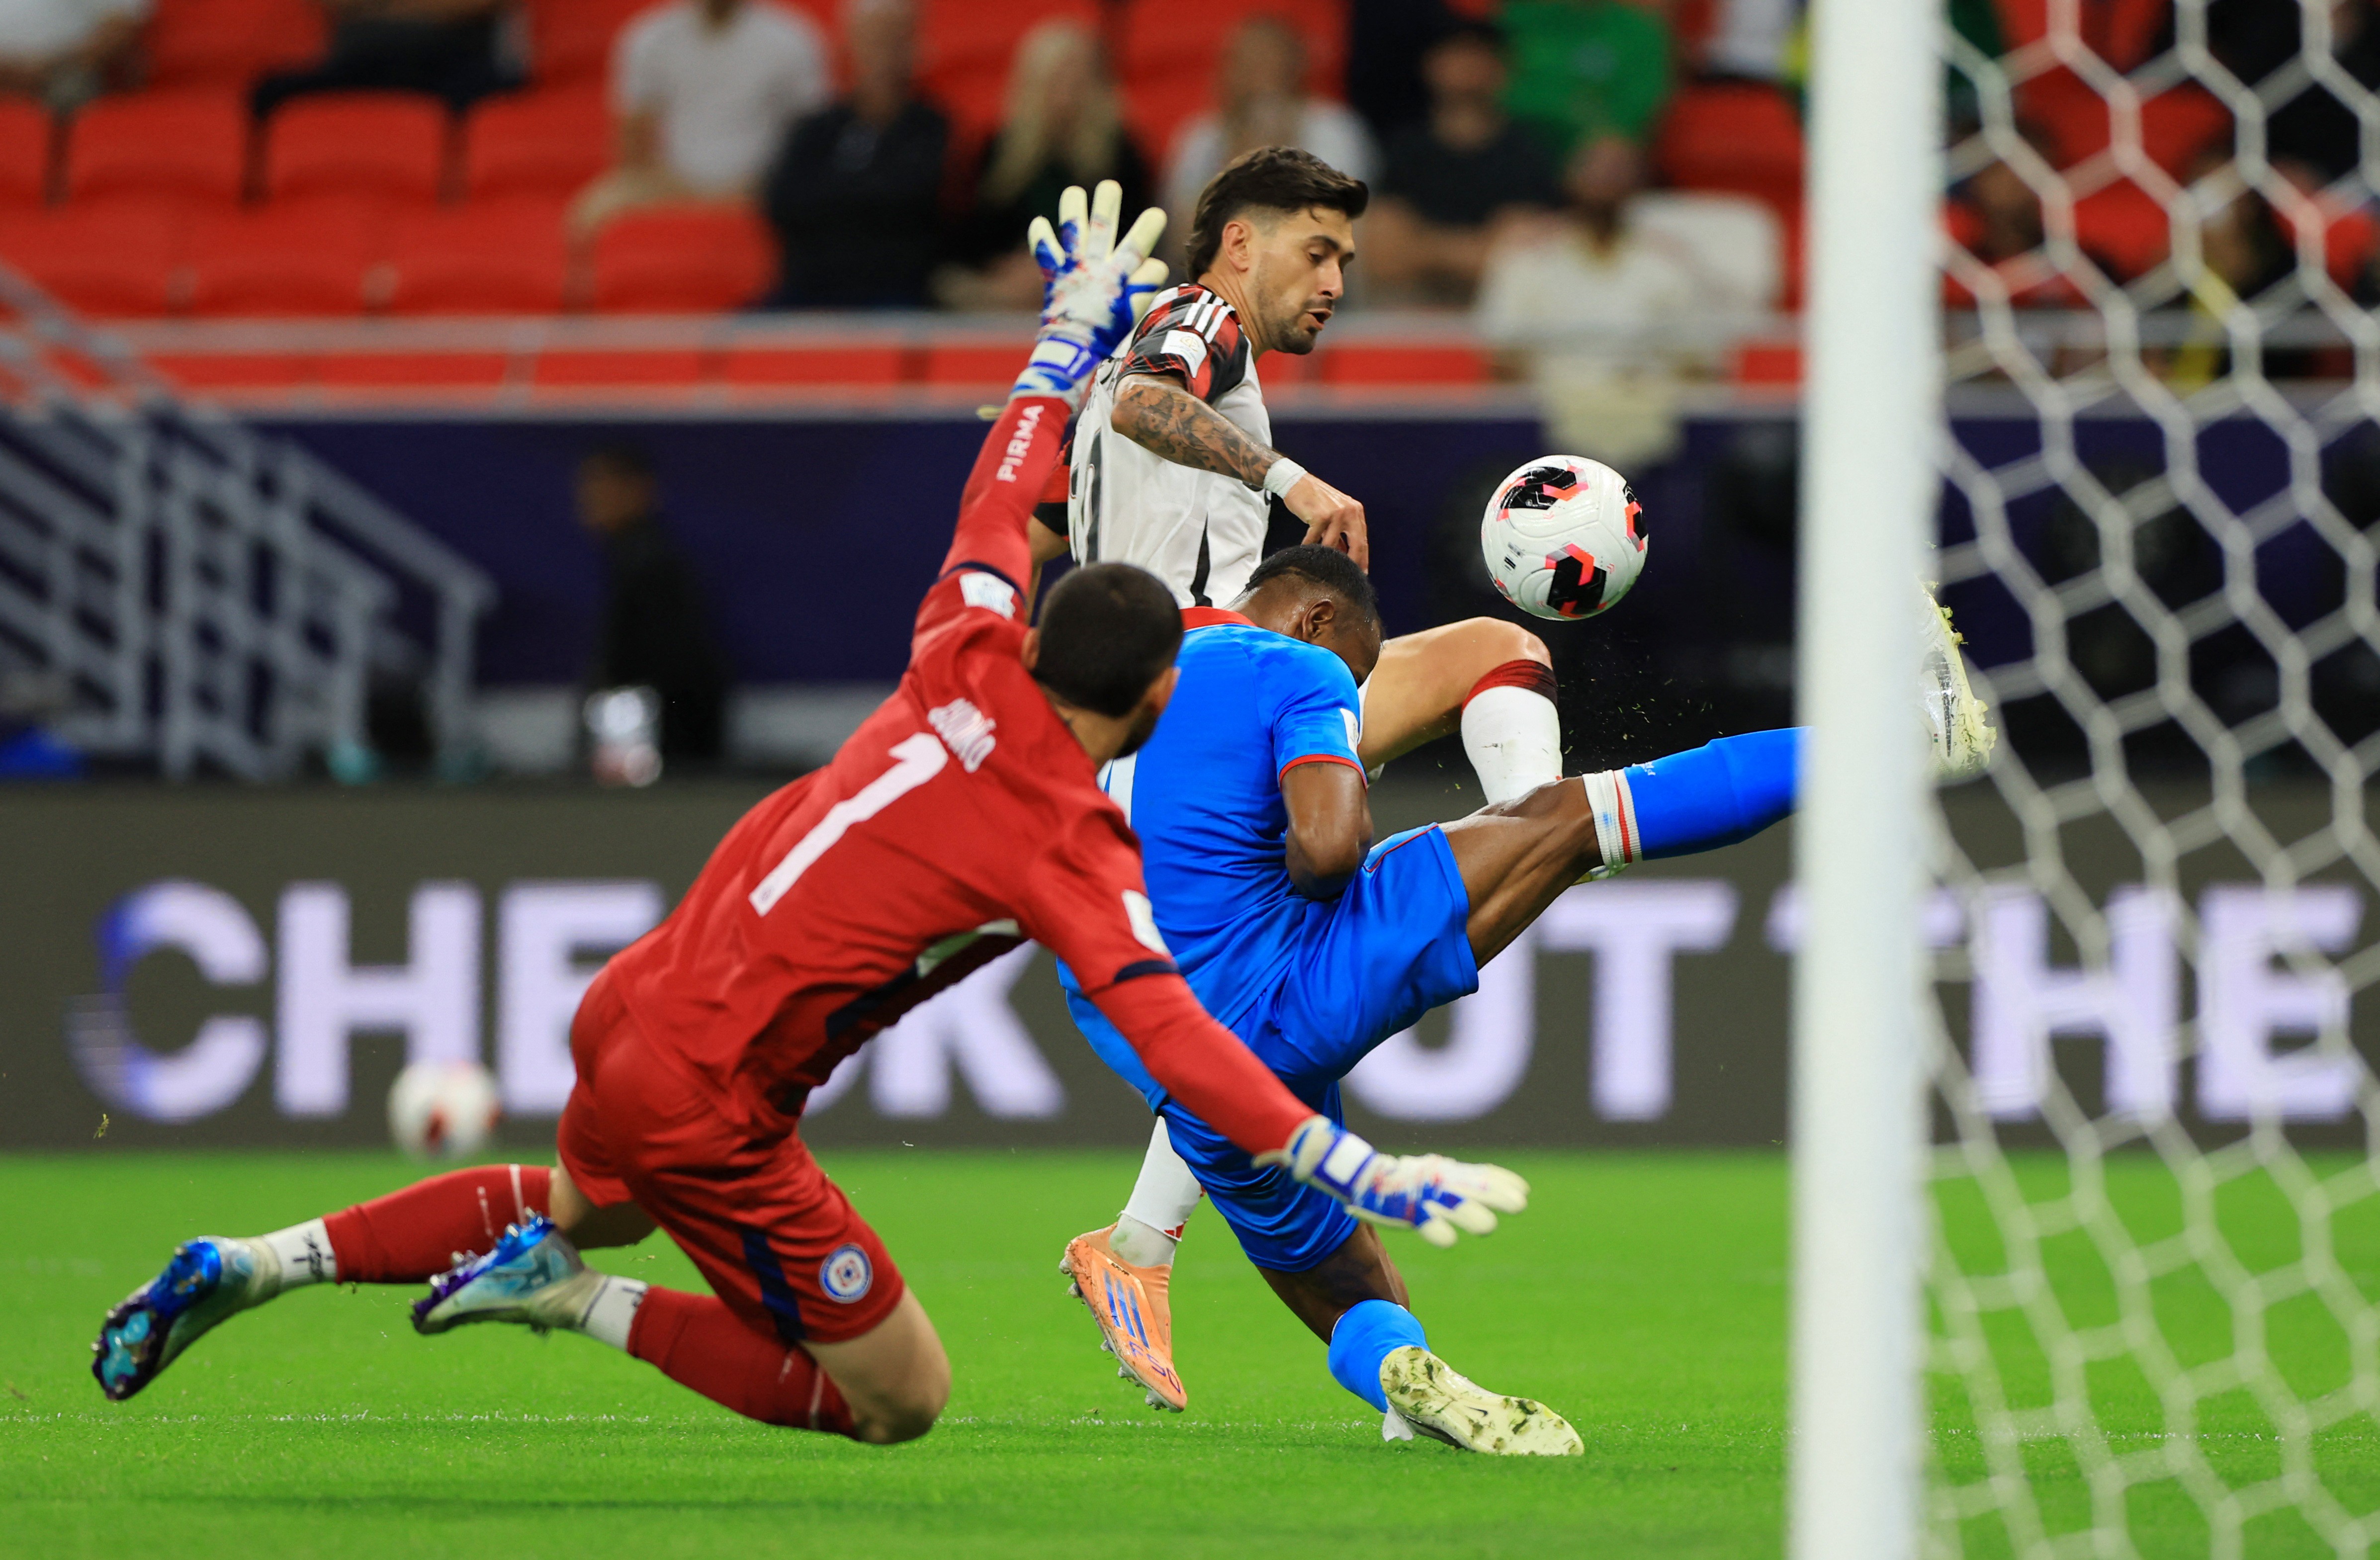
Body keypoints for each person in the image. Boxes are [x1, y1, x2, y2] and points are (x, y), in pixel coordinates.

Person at [89, 186, 1528, 1446]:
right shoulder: (1062, 846)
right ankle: (574, 1300)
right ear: (1161, 696)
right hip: (718, 1099)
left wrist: (1059, 338)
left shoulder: (959, 639)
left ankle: (263, 1257)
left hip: (632, 1005)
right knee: (897, 1397)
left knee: (586, 1196)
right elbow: (1183, 1041)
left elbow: (997, 492)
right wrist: (1354, 1163)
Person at [1051, 546, 1995, 1443]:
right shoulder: (1294, 667)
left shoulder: (1101, 714)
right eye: (1357, 669)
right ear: (1318, 618)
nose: (1353, 687)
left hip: (1184, 1067)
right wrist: (1319, 846)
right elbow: (1329, 853)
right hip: (1293, 983)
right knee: (1565, 818)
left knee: (1330, 1265)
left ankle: (1400, 1389)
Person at [1058, 146, 1568, 823]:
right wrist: (1291, 480)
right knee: (1497, 652)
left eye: (1342, 264)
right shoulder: (1202, 314)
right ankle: (1535, 837)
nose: (1333, 283)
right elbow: (1143, 403)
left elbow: (1036, 529)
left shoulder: (1105, 387)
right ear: (1239, 245)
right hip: (1207, 679)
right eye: (1315, 254)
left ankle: (1530, 835)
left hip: (1131, 710)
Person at [1474, 133, 1703, 469]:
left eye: (1618, 172)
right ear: (1568, 179)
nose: (1606, 182)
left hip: (1653, 418)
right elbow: (1502, 358)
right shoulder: (1525, 260)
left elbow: (1698, 361)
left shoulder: (1670, 262)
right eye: (1595, 172)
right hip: (1543, 426)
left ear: (1640, 183)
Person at [934, 18, 1152, 312]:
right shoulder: (997, 152)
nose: (1067, 93)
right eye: (1056, 79)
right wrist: (1011, 272)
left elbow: (1135, 240)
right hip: (1004, 295)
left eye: (1078, 80)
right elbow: (967, 240)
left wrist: (1058, 272)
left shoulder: (1122, 157)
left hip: (1094, 294)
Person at [569, 0, 830, 240]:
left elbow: (810, 140)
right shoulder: (649, 36)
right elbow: (632, 145)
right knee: (588, 213)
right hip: (670, 184)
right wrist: (674, 185)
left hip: (761, 187)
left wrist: (762, 185)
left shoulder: (792, 37)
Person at [758, 0, 950, 308]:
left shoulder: (932, 128)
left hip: (896, 292)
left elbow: (918, 203)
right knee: (732, 332)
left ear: (915, 47)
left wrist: (836, 199)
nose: (883, 54)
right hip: (808, 288)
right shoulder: (818, 129)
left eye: (894, 40)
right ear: (851, 47)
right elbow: (782, 202)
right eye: (873, 41)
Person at [1363, 21, 1561, 305]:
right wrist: (1479, 249)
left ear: (1503, 69)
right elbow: (1384, 257)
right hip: (1412, 310)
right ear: (1430, 66)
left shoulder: (1528, 151)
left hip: (1505, 308)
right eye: (1456, 55)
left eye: (1478, 56)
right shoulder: (1404, 150)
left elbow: (1523, 257)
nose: (1467, 67)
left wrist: (1424, 247)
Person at [1157, 17, 1377, 262]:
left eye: (1272, 61)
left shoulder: (1335, 129)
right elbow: (1180, 236)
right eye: (1249, 62)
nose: (1261, 74)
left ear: (1296, 67)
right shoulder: (1201, 137)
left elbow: (1346, 223)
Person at [576, 443, 729, 766]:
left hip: (662, 739)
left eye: (603, 483)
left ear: (639, 489)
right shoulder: (630, 558)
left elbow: (655, 664)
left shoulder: (649, 563)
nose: (590, 496)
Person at [252, 0, 522, 119]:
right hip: (359, 63)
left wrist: (388, 7)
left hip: (450, 65)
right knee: (271, 92)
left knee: (501, 99)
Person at [1498, 0, 1672, 155]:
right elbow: (1497, 91)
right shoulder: (1512, 20)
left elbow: (1637, 113)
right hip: (1509, 140)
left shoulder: (1639, 32)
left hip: (1592, 150)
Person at [0, 0, 146, 110]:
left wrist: (48, 68)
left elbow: (119, 28)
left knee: (69, 91)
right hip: (6, 68)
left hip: (69, 69)